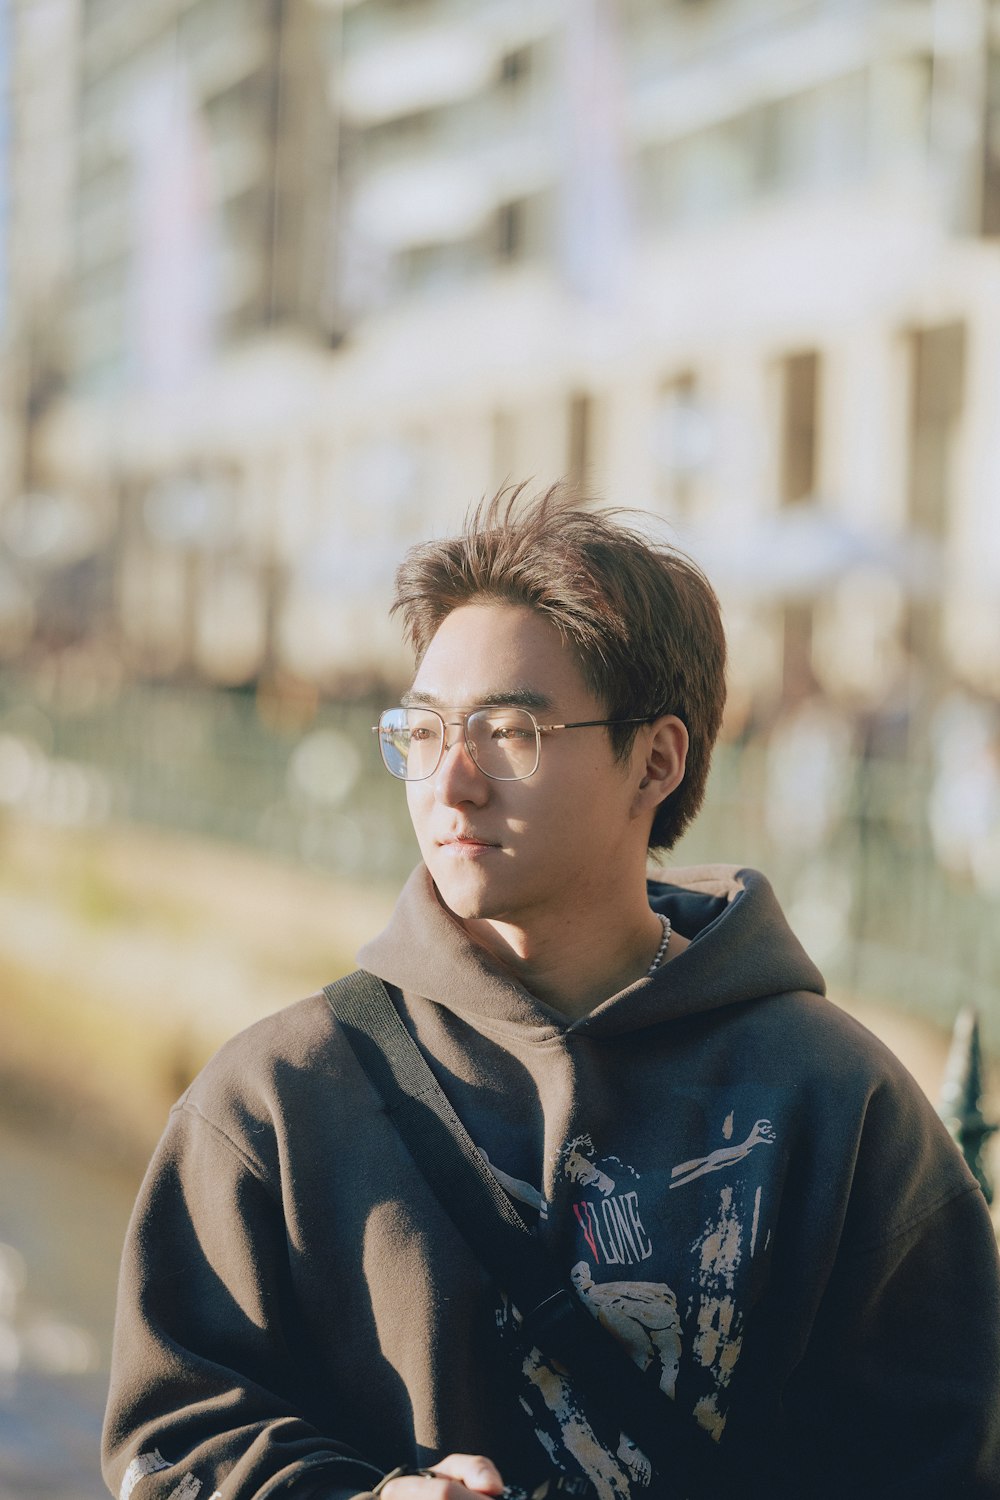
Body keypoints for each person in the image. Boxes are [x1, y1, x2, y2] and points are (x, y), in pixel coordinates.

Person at [103, 485, 1000, 1500]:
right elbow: (172, 1444)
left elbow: (937, 1455)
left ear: (655, 760)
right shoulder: (275, 1097)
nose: (451, 784)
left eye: (509, 733)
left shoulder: (835, 1105)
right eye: (425, 732)